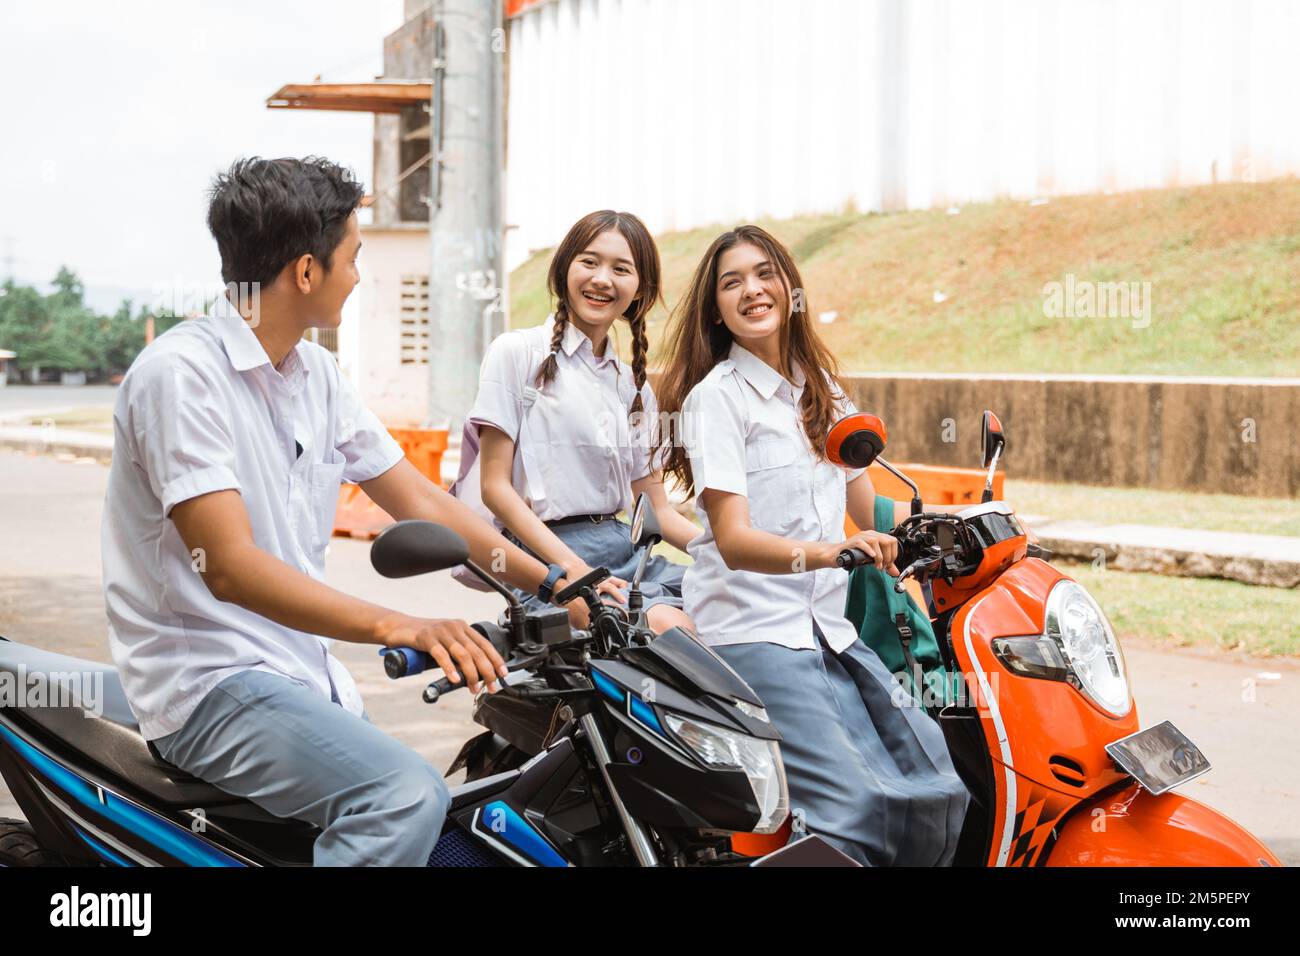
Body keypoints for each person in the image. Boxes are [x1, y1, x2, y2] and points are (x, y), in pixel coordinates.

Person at [102, 156, 587, 866]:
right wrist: (399, 622)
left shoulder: (316, 374)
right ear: (306, 271)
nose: (359, 276)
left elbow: (420, 500)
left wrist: (556, 585)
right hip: (207, 683)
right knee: (402, 797)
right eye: (354, 258)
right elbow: (230, 568)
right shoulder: (180, 377)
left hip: (297, 674)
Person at [654, 224, 970, 866]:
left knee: (940, 787)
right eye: (731, 282)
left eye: (764, 274)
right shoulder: (716, 401)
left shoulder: (822, 389)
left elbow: (867, 506)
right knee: (852, 809)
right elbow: (735, 541)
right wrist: (836, 554)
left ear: (790, 287)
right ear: (715, 307)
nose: (751, 290)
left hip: (830, 628)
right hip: (753, 629)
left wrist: (970, 527)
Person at [454, 210, 698, 633]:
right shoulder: (517, 353)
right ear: (564, 268)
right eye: (589, 262)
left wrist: (732, 558)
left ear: (640, 289)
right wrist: (573, 569)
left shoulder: (634, 388)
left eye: (621, 269)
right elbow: (495, 488)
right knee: (669, 630)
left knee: (729, 609)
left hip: (626, 550)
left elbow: (658, 509)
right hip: (542, 560)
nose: (602, 279)